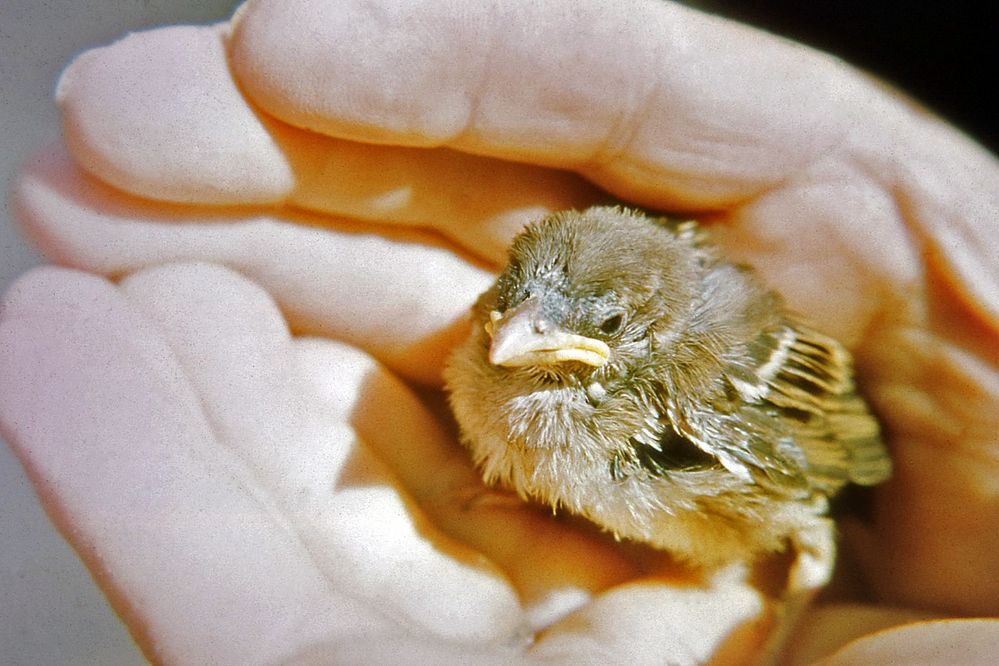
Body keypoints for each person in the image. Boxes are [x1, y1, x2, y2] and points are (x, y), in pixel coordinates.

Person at [2, 0, 997, 662]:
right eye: (512, 308)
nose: (514, 339)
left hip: (795, 475)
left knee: (798, 532)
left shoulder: (701, 379)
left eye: (572, 326)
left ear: (640, 327)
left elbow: (818, 452)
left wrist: (799, 594)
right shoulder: (501, 337)